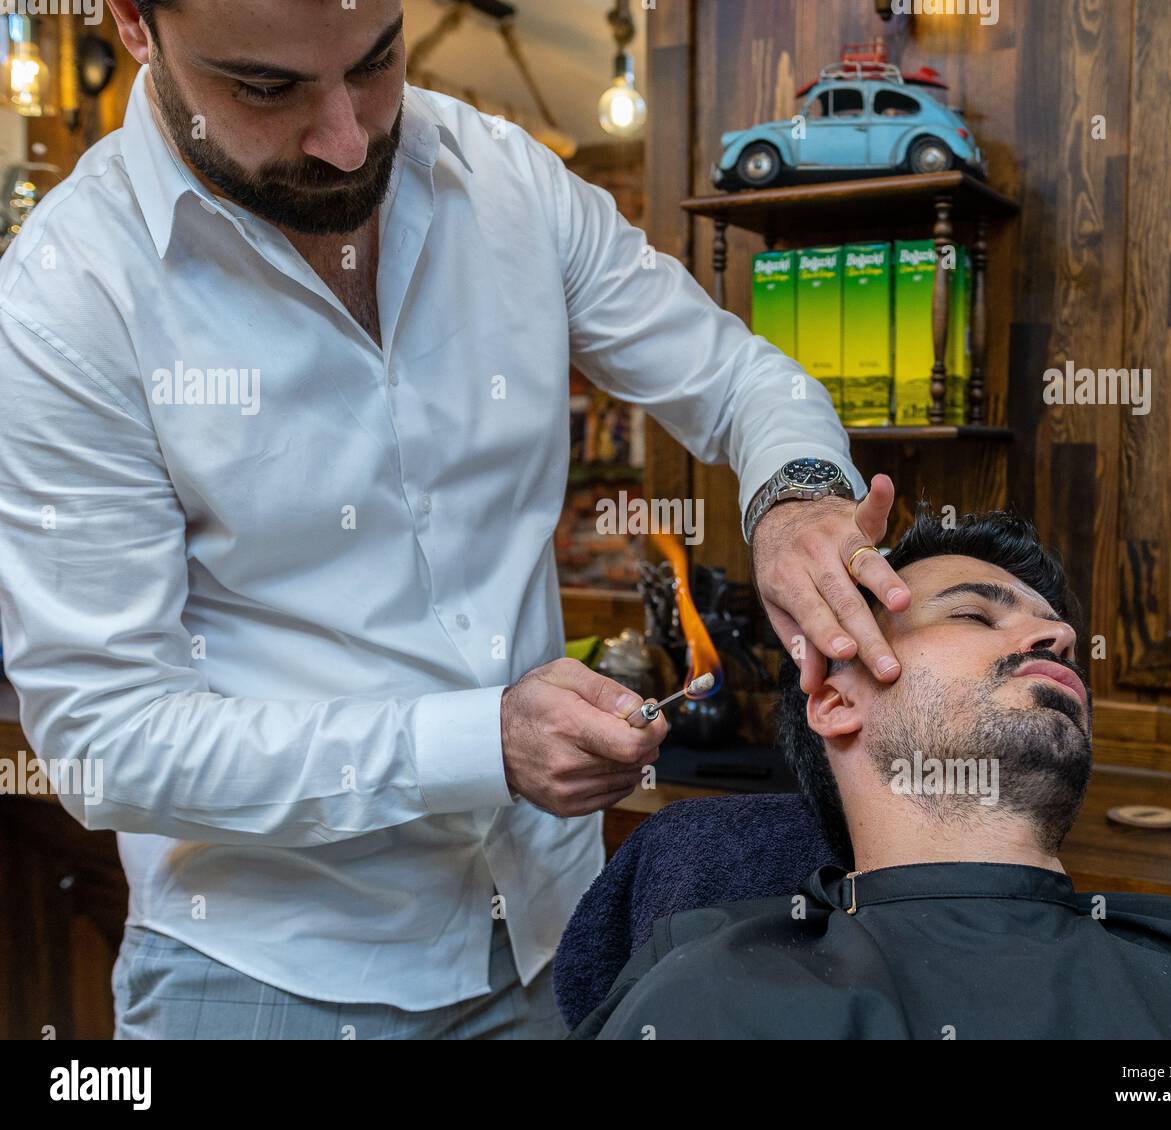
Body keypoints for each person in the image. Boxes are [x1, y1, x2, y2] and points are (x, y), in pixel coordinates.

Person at [0, 0, 914, 1039]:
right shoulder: (64, 300)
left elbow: (736, 378)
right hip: (268, 976)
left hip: (554, 931)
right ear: (131, 22)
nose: (348, 137)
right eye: (267, 88)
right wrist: (479, 740)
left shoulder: (505, 180)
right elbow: (105, 741)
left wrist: (794, 496)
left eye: (377, 59)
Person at [571, 510, 1171, 1039]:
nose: (1061, 636)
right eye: (976, 616)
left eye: (1059, 633)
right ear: (833, 699)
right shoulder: (708, 1001)